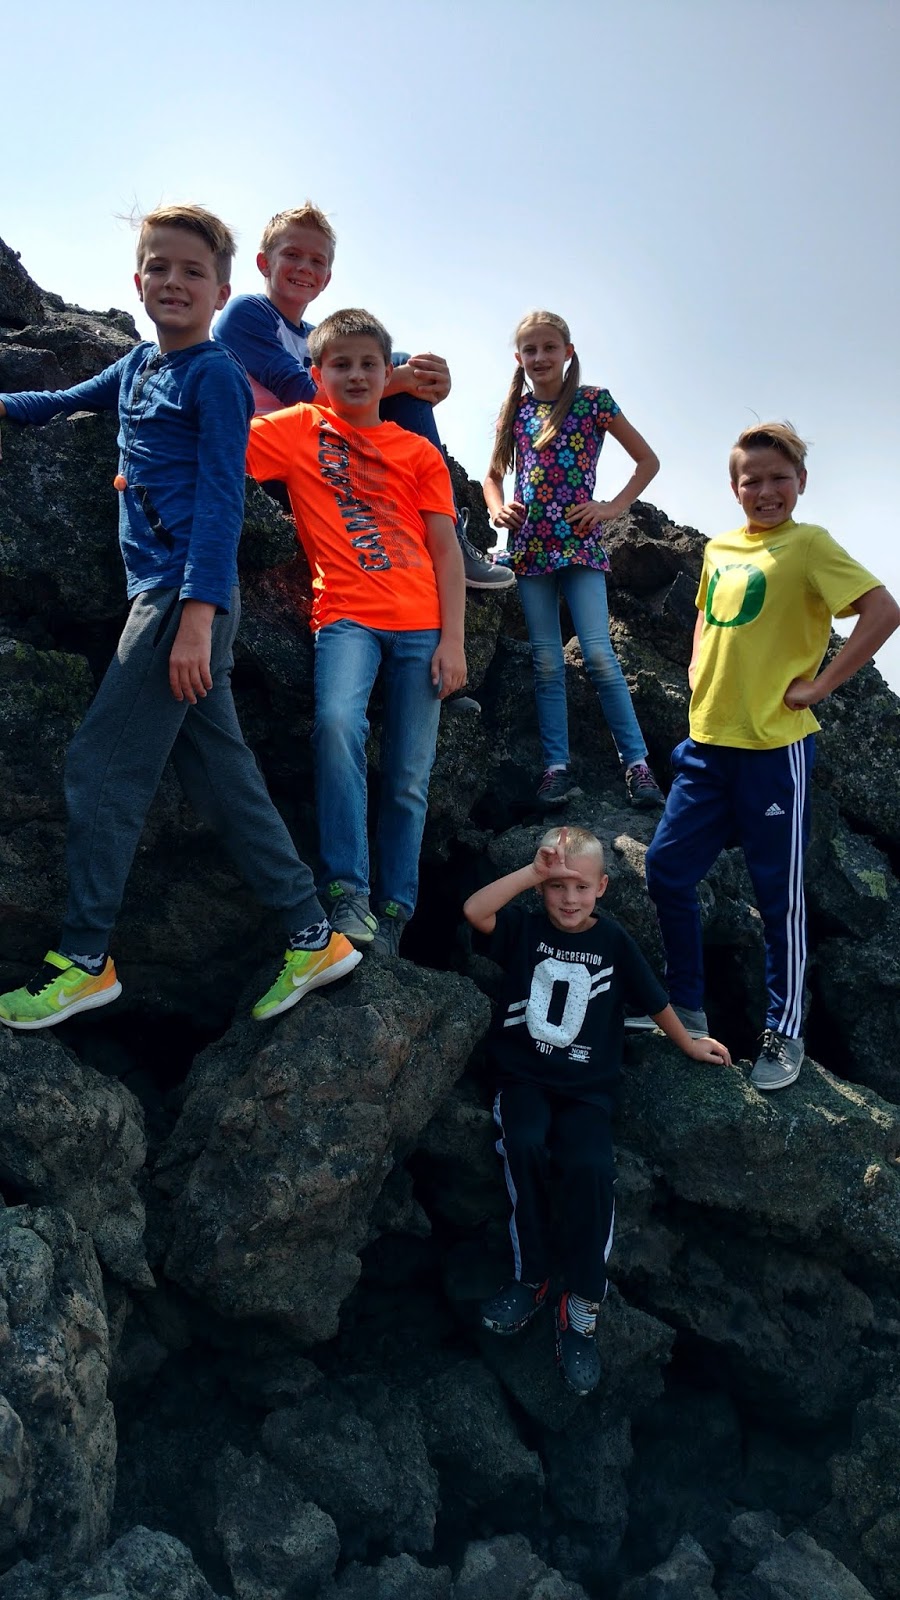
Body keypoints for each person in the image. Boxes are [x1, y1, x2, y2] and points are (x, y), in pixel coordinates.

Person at [0, 204, 360, 1031]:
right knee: (219, 775)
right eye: (159, 267)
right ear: (137, 280)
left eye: (193, 272)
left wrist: (197, 615)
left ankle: (83, 960)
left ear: (222, 293)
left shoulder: (216, 376)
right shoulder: (137, 365)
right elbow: (58, 401)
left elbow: (222, 499)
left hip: (178, 598)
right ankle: (312, 935)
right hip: (168, 600)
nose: (173, 281)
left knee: (100, 765)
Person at [645, 421, 900, 1091]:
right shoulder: (719, 548)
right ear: (734, 488)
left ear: (801, 482)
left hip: (773, 750)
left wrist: (820, 685)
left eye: (779, 478)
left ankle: (784, 1032)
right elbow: (706, 617)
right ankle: (687, 1005)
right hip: (707, 744)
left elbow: (882, 610)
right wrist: (696, 666)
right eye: (751, 480)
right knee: (667, 869)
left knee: (777, 898)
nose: (766, 491)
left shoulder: (810, 545)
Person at [464, 825, 730, 1395]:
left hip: (587, 1092)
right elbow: (475, 911)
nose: (568, 898)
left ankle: (582, 1303)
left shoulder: (613, 941)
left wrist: (689, 1043)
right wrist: (531, 872)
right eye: (556, 885)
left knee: (591, 1168)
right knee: (524, 1143)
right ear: (542, 887)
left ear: (603, 887)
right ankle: (531, 1277)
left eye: (580, 886)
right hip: (523, 1080)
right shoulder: (524, 928)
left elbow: (654, 999)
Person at [245, 307, 467, 957]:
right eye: (341, 364)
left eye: (370, 363)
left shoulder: (418, 452)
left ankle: (395, 908)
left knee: (409, 776)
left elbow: (447, 551)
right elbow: (216, 442)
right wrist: (143, 465)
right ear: (317, 374)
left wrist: (454, 641)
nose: (357, 374)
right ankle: (348, 890)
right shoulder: (297, 428)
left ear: (387, 372)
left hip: (423, 623)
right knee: (339, 725)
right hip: (345, 616)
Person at [214, 203, 513, 596]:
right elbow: (310, 398)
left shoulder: (316, 336)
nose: (304, 267)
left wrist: (424, 387)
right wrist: (402, 380)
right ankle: (446, 539)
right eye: (292, 254)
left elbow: (353, 397)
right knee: (395, 367)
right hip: (273, 457)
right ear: (263, 263)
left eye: (316, 261)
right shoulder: (248, 313)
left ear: (327, 278)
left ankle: (446, 534)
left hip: (326, 448)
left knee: (394, 360)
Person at [483, 310, 665, 810]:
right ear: (518, 357)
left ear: (567, 352)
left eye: (549, 347)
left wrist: (610, 508)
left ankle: (638, 766)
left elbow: (647, 460)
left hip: (580, 543)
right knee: (546, 661)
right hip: (529, 547)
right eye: (530, 350)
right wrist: (497, 509)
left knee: (600, 654)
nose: (539, 357)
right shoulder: (516, 411)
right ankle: (555, 769)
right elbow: (493, 476)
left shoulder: (593, 402)